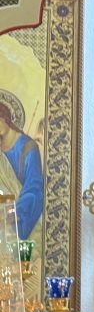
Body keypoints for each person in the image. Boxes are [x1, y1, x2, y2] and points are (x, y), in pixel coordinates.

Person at [0, 100, 43, 242]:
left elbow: (34, 187)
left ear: (5, 118)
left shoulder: (28, 147)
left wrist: (17, 212)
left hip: (19, 216)